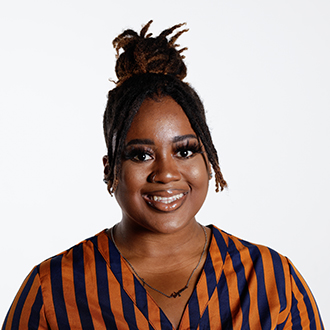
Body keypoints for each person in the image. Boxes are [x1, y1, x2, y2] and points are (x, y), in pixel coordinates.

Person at [2, 21, 324, 330]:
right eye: (141, 155)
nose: (166, 173)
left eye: (184, 151)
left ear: (208, 161)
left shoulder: (272, 282)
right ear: (110, 170)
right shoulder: (52, 292)